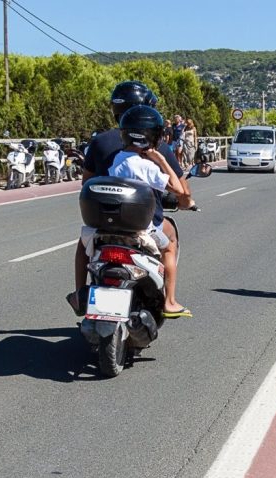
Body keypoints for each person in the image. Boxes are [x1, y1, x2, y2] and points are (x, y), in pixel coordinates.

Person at [71, 81, 196, 315]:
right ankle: (169, 301)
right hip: (143, 224)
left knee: (82, 246)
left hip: (104, 222)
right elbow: (182, 191)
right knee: (170, 242)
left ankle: (80, 294)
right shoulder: (156, 148)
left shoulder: (101, 143)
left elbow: (87, 182)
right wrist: (186, 202)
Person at [101, 104, 191, 317]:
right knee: (169, 245)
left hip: (113, 226)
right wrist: (161, 160)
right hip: (141, 229)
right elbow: (178, 189)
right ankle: (169, 301)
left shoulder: (117, 159)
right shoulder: (146, 166)